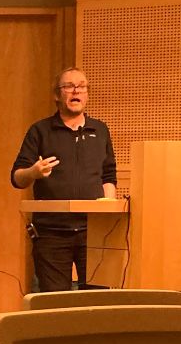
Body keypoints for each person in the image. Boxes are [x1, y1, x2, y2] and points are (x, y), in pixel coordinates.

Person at [10, 66, 116, 292]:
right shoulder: (40, 130)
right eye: (69, 86)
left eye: (81, 86)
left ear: (87, 94)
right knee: (54, 305)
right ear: (57, 95)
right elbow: (17, 178)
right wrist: (34, 172)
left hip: (94, 233)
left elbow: (108, 175)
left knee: (98, 303)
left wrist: (108, 214)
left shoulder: (100, 130)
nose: (76, 90)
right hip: (52, 234)